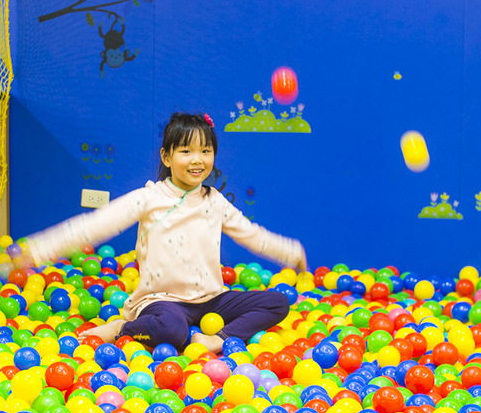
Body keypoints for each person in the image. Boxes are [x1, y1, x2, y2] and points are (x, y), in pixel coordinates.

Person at [22, 112, 306, 353]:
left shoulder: (214, 200)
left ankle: (217, 340)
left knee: (277, 302)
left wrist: (290, 252)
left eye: (205, 151)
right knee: (171, 329)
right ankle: (125, 327)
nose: (198, 159)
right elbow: (94, 226)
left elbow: (251, 235)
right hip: (163, 302)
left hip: (212, 300)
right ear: (166, 156)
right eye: (186, 151)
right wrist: (35, 251)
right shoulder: (149, 198)